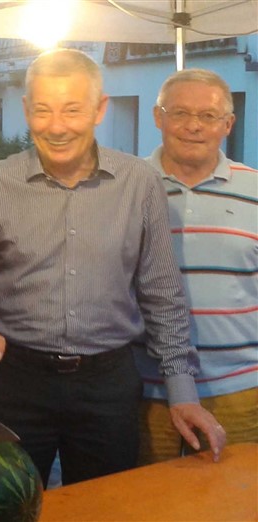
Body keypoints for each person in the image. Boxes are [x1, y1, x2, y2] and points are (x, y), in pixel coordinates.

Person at [0, 48, 227, 487]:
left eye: (72, 109)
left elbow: (161, 292)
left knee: (106, 506)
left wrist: (181, 391)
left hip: (109, 385)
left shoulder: (140, 184)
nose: (57, 126)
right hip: (15, 381)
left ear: (100, 109)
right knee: (7, 505)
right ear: (26, 110)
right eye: (43, 110)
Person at [136, 69, 257, 463]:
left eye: (207, 116)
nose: (192, 126)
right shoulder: (126, 188)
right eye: (179, 113)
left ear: (228, 124)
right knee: (146, 507)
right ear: (158, 117)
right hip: (144, 393)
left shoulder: (255, 191)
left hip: (240, 392)